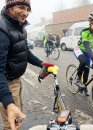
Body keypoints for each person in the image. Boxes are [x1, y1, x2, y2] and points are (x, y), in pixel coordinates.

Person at [0, 0, 54, 130]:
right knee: (13, 124)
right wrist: (8, 102)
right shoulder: (2, 30)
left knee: (17, 118)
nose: (25, 13)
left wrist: (41, 63)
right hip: (7, 83)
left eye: (28, 9)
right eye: (21, 7)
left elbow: (25, 52)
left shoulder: (19, 26)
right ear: (9, 7)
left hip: (16, 80)